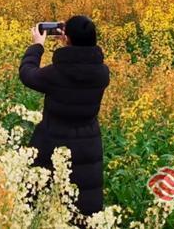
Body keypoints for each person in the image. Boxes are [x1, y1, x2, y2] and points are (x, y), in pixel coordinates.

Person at [19, 15, 110, 216]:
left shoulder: (56, 73)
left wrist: (37, 46)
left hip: (52, 141)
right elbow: (82, 63)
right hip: (88, 144)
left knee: (40, 203)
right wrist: (70, 44)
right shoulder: (102, 73)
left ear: (67, 38)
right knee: (83, 204)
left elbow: (28, 74)